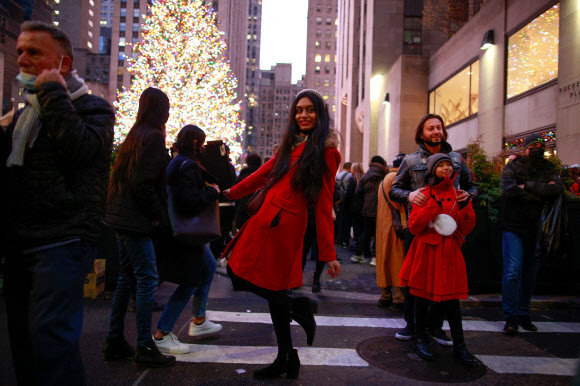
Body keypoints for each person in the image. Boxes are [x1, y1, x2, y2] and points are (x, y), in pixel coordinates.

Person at [0, 21, 114, 385]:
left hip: (64, 239)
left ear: (63, 64)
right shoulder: (23, 114)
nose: (22, 59)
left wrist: (52, 95)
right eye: (19, 51)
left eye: (34, 52)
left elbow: (82, 152)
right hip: (21, 240)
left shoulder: (94, 108)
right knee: (22, 340)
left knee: (50, 338)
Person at [221, 89, 341, 379]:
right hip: (265, 219)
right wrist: (228, 193)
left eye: (310, 109)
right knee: (262, 286)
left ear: (320, 114)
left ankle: (297, 309)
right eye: (299, 110)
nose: (303, 114)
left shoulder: (326, 151)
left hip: (283, 226)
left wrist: (328, 254)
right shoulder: (291, 144)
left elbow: (325, 203)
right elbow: (262, 174)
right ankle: (287, 355)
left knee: (244, 276)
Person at [101, 87, 176, 368]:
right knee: (147, 278)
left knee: (126, 278)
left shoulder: (135, 135)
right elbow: (143, 183)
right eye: (166, 107)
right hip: (135, 220)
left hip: (120, 217)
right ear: (160, 110)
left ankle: (114, 339)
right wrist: (157, 215)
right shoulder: (154, 137)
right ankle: (144, 345)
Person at [389, 113, 478, 345]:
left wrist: (470, 194)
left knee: (444, 280)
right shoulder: (410, 161)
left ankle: (436, 327)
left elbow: (472, 186)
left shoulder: (457, 159)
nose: (436, 132)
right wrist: (410, 194)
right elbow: (394, 190)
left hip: (450, 232)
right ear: (421, 133)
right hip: (418, 229)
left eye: (439, 128)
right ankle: (413, 325)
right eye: (431, 128)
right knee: (415, 280)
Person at [399, 153, 477, 366]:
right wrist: (430, 208)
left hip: (449, 251)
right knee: (421, 297)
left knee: (452, 300)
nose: (446, 169)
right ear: (432, 170)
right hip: (427, 250)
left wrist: (467, 206)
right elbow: (414, 226)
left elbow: (465, 226)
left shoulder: (458, 193)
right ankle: (421, 337)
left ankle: (460, 345)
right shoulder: (423, 193)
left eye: (449, 165)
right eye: (441, 165)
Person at [152, 125, 223, 354]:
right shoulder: (188, 165)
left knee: (209, 266)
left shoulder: (177, 161)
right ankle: (163, 333)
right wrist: (213, 191)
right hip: (187, 234)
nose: (202, 147)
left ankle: (199, 319)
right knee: (190, 280)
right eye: (201, 143)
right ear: (195, 143)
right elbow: (189, 201)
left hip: (179, 230)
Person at [500, 134, 563, 335]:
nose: (537, 148)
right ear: (525, 148)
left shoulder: (548, 168)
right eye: (533, 145)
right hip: (514, 226)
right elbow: (509, 190)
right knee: (512, 271)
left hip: (538, 228)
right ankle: (510, 316)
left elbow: (558, 190)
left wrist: (527, 186)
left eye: (540, 145)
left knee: (529, 274)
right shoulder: (513, 166)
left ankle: (522, 313)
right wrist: (542, 192)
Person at [375, 153, 407, 312]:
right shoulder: (396, 178)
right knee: (397, 260)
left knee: (385, 260)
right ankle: (398, 298)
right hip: (396, 227)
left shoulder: (385, 179)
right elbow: (401, 203)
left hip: (384, 225)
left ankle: (385, 295)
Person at [351, 156, 388, 263]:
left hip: (367, 209)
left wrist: (366, 202)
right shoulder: (384, 175)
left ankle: (357, 254)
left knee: (366, 233)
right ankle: (376, 258)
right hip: (381, 209)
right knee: (379, 234)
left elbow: (358, 192)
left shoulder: (365, 176)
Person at [233, 153, 263, 230]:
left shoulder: (241, 179)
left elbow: (235, 197)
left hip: (243, 215)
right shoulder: (264, 179)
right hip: (260, 215)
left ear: (247, 163)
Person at [340, 162, 365, 248]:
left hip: (353, 207)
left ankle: (354, 242)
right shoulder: (365, 178)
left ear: (353, 170)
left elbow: (348, 194)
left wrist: (344, 206)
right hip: (363, 206)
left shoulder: (352, 179)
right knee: (361, 226)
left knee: (353, 225)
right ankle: (360, 243)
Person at [334, 162, 352, 245]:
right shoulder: (349, 176)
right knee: (345, 220)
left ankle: (338, 237)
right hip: (345, 200)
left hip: (339, 199)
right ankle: (343, 239)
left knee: (339, 219)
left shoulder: (339, 175)